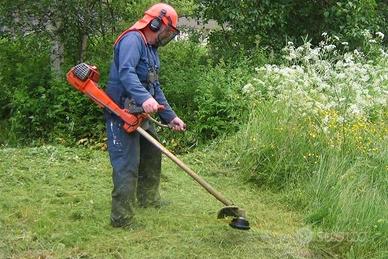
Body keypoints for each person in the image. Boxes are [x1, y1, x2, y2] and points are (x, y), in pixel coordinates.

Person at [105, 3, 186, 228]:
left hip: (139, 113)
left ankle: (148, 200)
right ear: (155, 22)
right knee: (127, 164)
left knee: (152, 155)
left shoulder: (151, 49)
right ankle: (122, 219)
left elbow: (155, 87)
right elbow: (126, 72)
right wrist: (144, 98)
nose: (168, 36)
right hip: (121, 113)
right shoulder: (132, 40)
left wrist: (171, 117)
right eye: (168, 30)